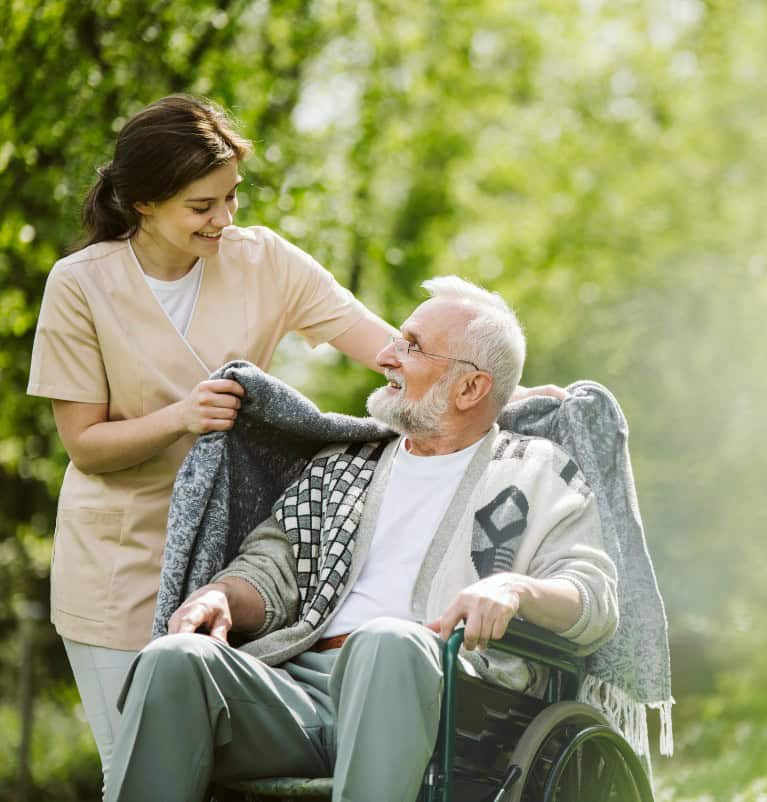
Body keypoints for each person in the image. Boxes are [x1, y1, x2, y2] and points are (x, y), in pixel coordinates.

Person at [25, 95, 558, 790]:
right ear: (144, 204)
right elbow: (86, 444)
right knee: (133, 762)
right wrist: (183, 416)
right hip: (120, 559)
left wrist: (502, 389)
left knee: (216, 768)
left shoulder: (264, 262)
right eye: (201, 207)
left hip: (235, 553)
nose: (224, 220)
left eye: (231, 198)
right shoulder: (80, 286)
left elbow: (390, 349)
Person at [104, 276, 618, 802]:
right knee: (177, 660)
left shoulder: (537, 473)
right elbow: (272, 567)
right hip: (301, 691)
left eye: (412, 346)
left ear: (470, 388)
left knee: (387, 640)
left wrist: (515, 590)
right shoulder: (345, 466)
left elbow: (595, 596)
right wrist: (222, 594)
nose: (388, 356)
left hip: (450, 697)